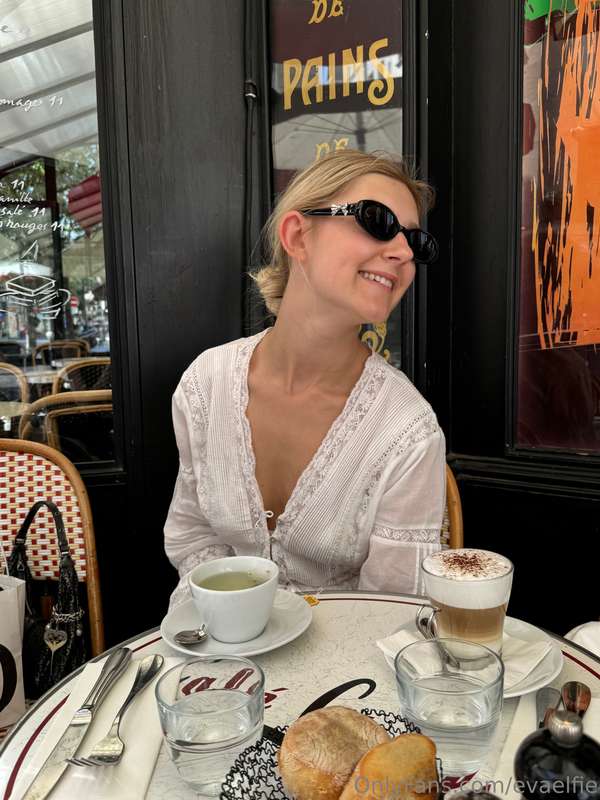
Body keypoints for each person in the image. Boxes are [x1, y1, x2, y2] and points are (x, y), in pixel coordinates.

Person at [164, 149, 446, 610]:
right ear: (298, 235)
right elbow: (194, 537)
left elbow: (391, 610)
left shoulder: (407, 430)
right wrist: (229, 624)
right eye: (377, 221)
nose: (402, 252)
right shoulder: (205, 384)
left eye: (415, 242)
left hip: (347, 656)